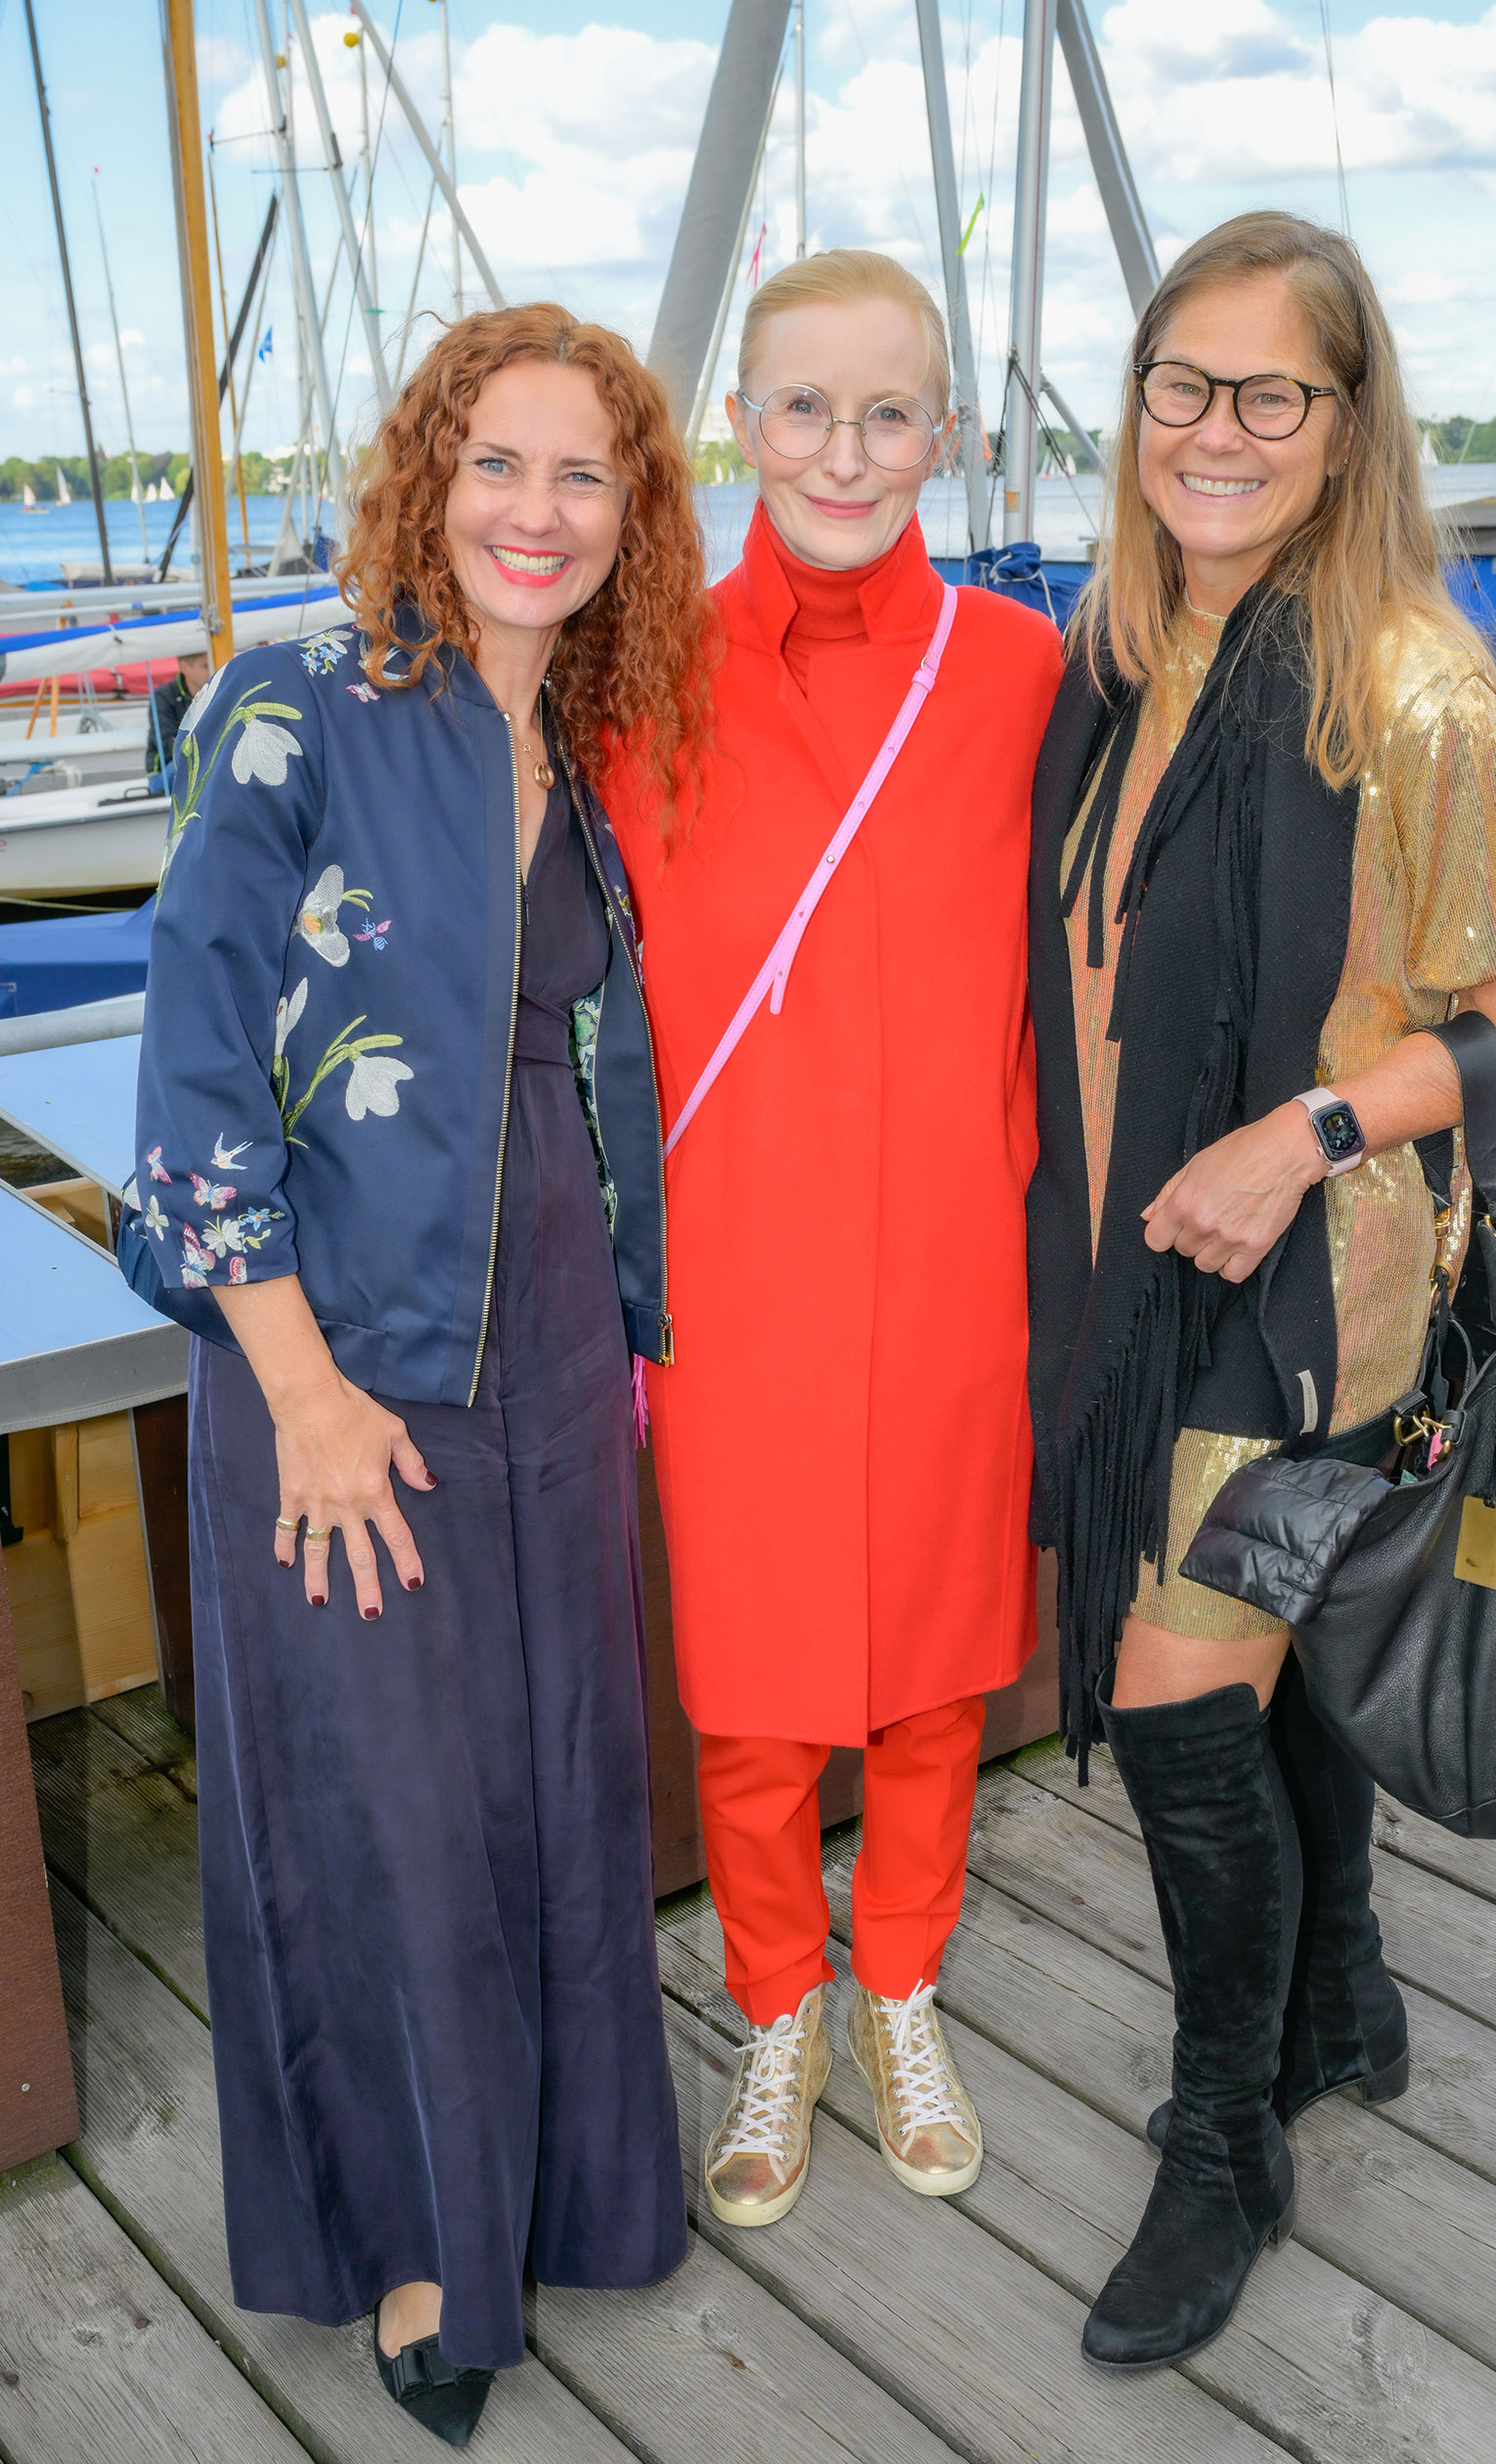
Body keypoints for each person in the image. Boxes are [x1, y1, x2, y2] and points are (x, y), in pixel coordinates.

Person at [122, 304, 715, 2447]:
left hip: (545, 1337)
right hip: (343, 1356)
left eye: (585, 473)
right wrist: (296, 1387)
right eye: (498, 463)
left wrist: (622, 1326)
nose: (538, 511)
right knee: (380, 1809)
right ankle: (410, 2244)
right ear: (425, 479)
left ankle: (554, 2191)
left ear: (634, 512)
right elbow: (193, 1077)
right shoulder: (294, 704)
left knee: (550, 1777)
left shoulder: (579, 733)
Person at [1027, 211, 1496, 2373]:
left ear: (1348, 429)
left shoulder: (1407, 691)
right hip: (1136, 1273)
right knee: (1266, 1675)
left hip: (1310, 1297)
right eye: (1184, 382)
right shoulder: (1124, 653)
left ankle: (1221, 2144)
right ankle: (1341, 1992)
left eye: (1276, 392)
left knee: (1180, 1702)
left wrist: (1303, 1130)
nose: (1219, 429)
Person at [606, 250, 1065, 2228]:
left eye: (888, 412)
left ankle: (903, 1986)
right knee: (756, 1682)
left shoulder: (1027, 675)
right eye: (804, 406)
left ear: (941, 434)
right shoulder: (640, 675)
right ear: (742, 422)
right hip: (735, 1272)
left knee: (941, 1671)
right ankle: (778, 2004)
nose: (845, 450)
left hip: (958, 1257)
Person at [146, 639, 210, 773]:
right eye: (205, 666)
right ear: (184, 667)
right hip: (165, 770)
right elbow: (166, 745)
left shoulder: (215, 692)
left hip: (202, 761)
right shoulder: (163, 696)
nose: (212, 670)